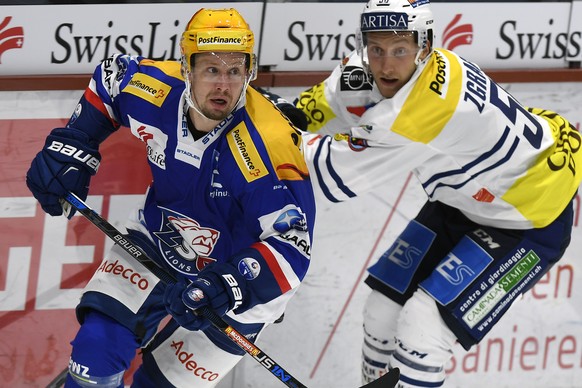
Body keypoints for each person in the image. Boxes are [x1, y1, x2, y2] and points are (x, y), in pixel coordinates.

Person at [295, 0, 581, 386]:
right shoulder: (376, 68)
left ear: (425, 46)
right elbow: (320, 103)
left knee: (422, 328)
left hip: (528, 218)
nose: (385, 66)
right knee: (381, 311)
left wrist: (259, 142)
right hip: (464, 201)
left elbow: (326, 174)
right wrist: (280, 114)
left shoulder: (419, 113)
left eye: (400, 50)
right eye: (376, 48)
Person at [26, 8, 315, 387]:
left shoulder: (267, 146)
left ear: (250, 72)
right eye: (211, 69)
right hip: (160, 240)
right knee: (96, 349)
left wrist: (226, 285)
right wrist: (73, 146)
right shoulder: (154, 88)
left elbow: (293, 249)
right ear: (186, 69)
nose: (223, 85)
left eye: (235, 70)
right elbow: (109, 80)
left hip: (236, 284)